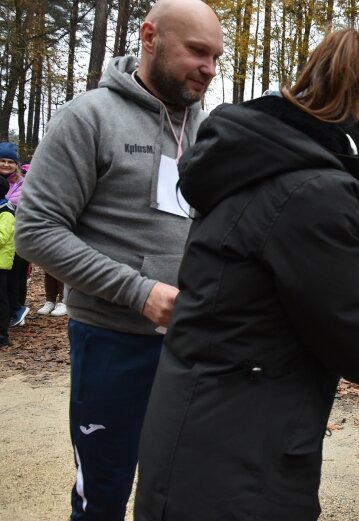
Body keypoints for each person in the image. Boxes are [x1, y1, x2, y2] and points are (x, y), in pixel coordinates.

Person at [133, 28, 359, 521]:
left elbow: (293, 310)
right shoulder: (315, 190)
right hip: (240, 463)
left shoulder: (267, 163)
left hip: (206, 431)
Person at [14, 1, 224, 519]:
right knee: (103, 492)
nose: (210, 68)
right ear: (149, 37)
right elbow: (35, 231)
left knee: (181, 489)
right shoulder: (87, 118)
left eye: (217, 57)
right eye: (197, 51)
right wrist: (139, 291)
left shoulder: (210, 131)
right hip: (111, 342)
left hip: (194, 343)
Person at [0, 142, 29, 327]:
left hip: (18, 237)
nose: (5, 165)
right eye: (2, 160)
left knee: (16, 276)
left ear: (16, 164)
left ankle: (16, 309)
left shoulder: (23, 183)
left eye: (10, 161)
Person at [0, 176, 15, 347]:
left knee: (1, 299)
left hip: (1, 263)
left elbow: (2, 237)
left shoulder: (6, 211)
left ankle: (2, 334)